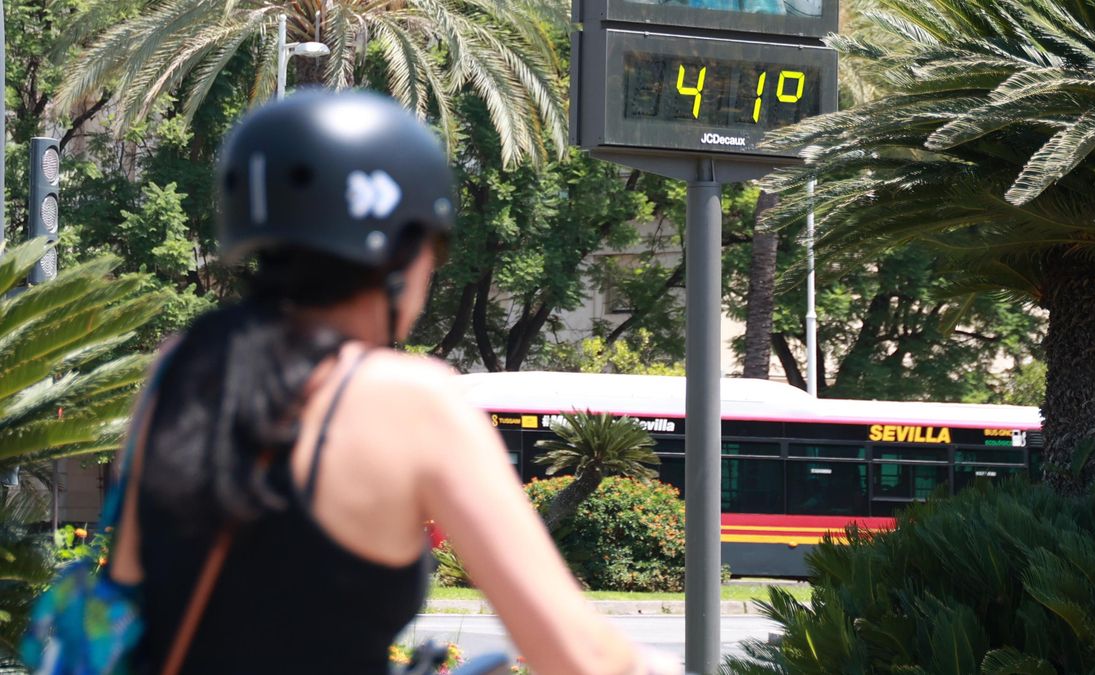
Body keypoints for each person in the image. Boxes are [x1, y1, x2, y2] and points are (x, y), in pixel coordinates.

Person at [108, 90, 683, 675]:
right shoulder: (413, 399)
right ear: (401, 248)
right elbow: (578, 654)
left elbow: (129, 580)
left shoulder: (181, 365)